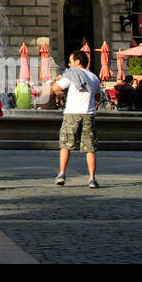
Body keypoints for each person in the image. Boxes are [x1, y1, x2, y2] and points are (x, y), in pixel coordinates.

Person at [52, 50, 101, 188]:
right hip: (88, 114)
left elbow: (56, 88)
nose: (69, 63)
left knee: (65, 145)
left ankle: (62, 174)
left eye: (71, 61)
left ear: (78, 62)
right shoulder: (94, 77)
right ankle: (92, 178)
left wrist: (55, 84)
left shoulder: (71, 74)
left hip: (72, 114)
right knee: (90, 148)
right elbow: (97, 97)